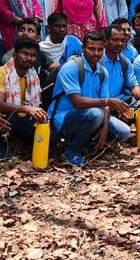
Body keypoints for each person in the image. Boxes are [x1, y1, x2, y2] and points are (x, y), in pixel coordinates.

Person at [50, 31, 132, 166]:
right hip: (64, 118)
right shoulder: (71, 67)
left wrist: (105, 128)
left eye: (100, 49)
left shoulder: (102, 72)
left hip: (91, 115)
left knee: (124, 132)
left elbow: (105, 104)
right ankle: (71, 150)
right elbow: (78, 102)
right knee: (96, 113)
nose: (96, 53)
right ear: (83, 48)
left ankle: (90, 143)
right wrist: (107, 102)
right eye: (91, 49)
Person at [0, 37, 48, 156]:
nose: (29, 58)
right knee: (8, 118)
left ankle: (20, 143)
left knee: (46, 129)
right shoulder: (1, 72)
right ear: (14, 54)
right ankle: (1, 150)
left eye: (33, 55)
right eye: (24, 53)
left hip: (21, 119)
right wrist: (27, 109)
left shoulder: (33, 76)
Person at [103, 24, 140, 109]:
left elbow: (133, 86)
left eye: (123, 40)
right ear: (106, 41)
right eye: (115, 40)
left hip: (120, 101)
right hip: (102, 104)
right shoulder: (97, 61)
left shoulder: (124, 62)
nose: (120, 43)